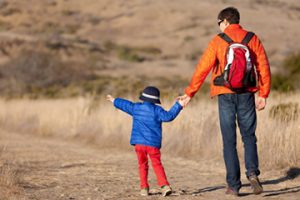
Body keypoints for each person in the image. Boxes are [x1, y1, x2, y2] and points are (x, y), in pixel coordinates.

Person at [179, 7, 271, 196]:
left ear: (225, 22)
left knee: (229, 140)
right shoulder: (252, 38)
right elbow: (263, 66)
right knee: (249, 137)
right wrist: (264, 94)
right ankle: (252, 173)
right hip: (247, 93)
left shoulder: (217, 41)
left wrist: (190, 93)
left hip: (224, 93)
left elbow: (202, 69)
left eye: (219, 22)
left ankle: (234, 186)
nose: (219, 26)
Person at [106, 86, 184, 197]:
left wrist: (114, 100)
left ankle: (144, 188)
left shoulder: (136, 108)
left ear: (143, 98)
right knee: (157, 164)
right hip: (153, 145)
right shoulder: (158, 110)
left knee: (142, 165)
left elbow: (125, 105)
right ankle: (164, 186)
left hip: (139, 144)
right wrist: (179, 105)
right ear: (156, 100)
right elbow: (169, 116)